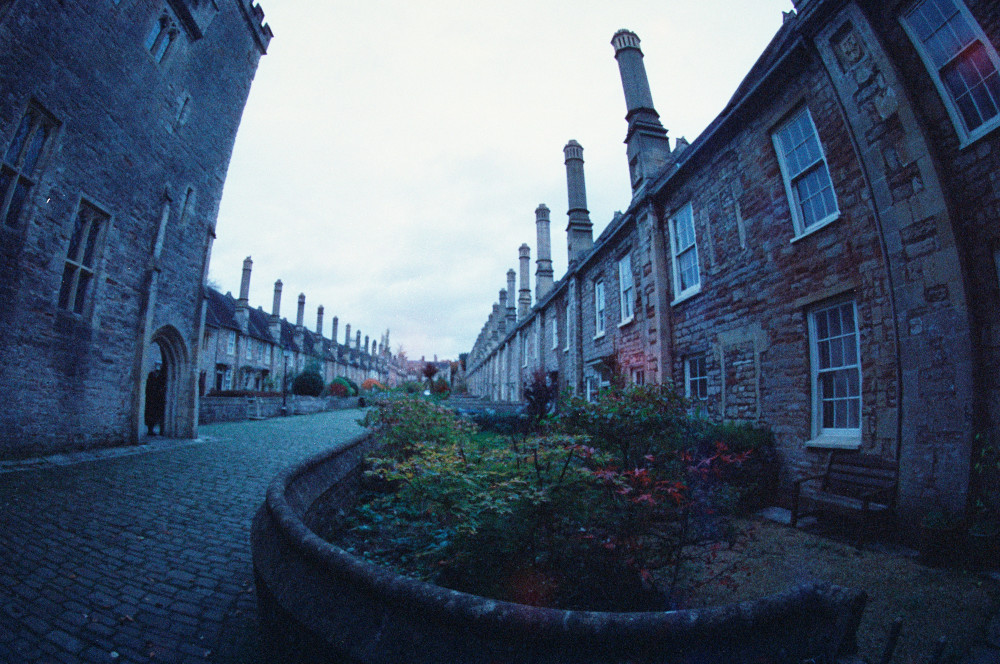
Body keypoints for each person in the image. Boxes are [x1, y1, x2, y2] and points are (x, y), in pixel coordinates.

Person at [145, 368, 166, 435]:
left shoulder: (159, 379)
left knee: (156, 416)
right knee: (152, 416)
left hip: (156, 400)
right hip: (152, 400)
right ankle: (151, 430)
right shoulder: (152, 380)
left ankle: (160, 430)